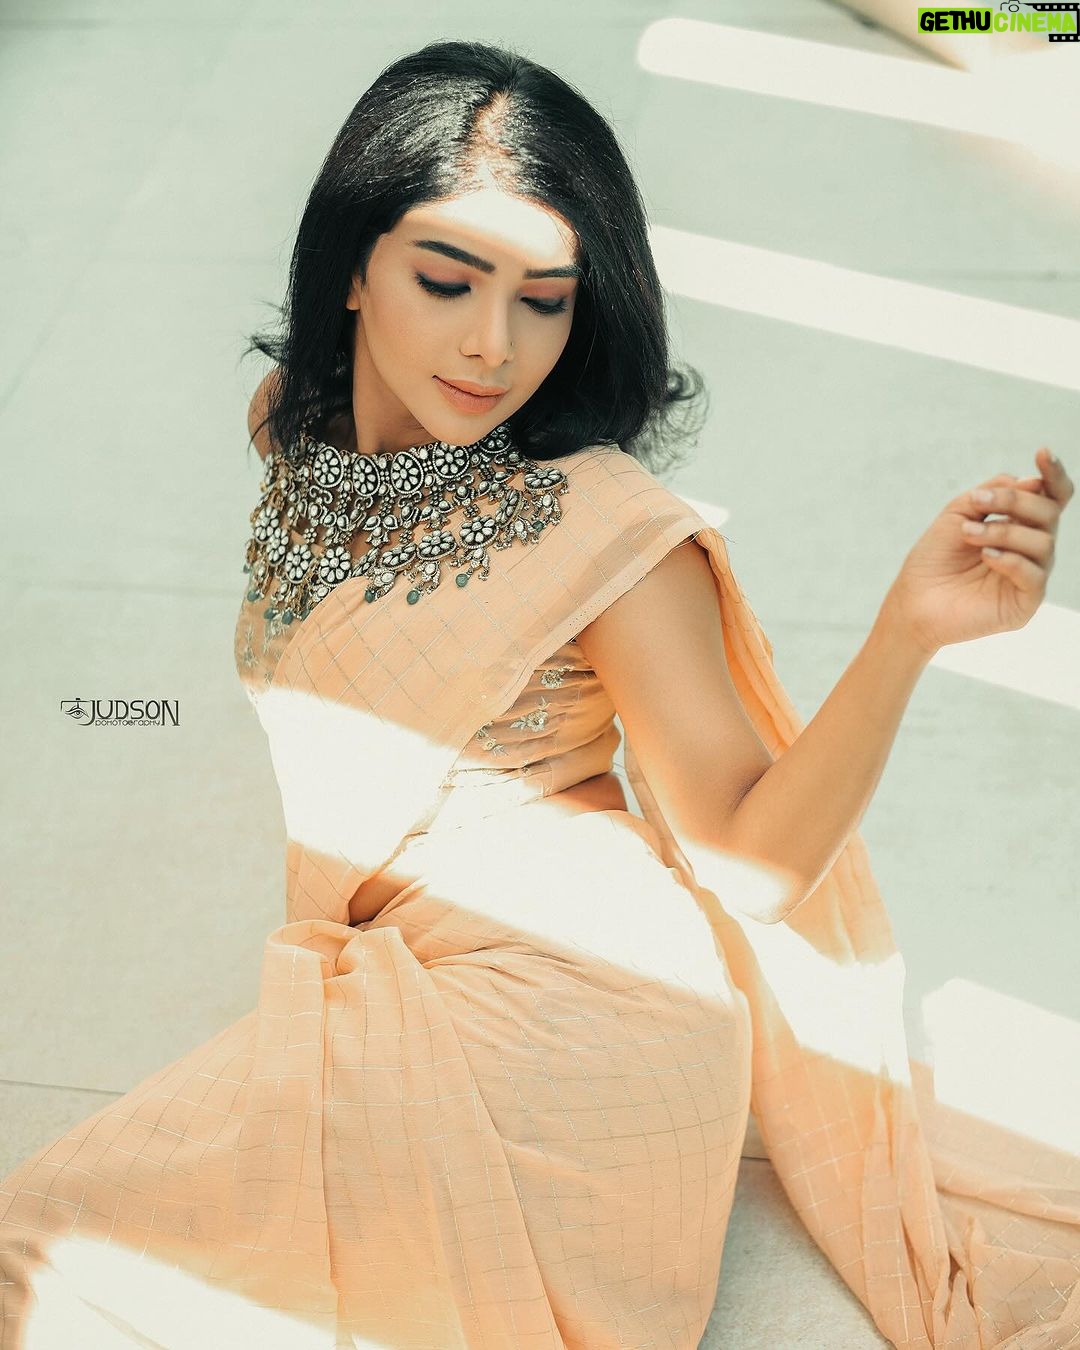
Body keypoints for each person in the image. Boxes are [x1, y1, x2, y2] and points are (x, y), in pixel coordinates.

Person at [0, 37, 1075, 1350]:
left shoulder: (608, 531)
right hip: (413, 976)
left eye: (545, 300)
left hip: (592, 1029)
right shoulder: (295, 425)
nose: (491, 344)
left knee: (57, 1257)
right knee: (49, 1246)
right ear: (352, 268)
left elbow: (750, 863)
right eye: (446, 280)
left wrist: (908, 635)